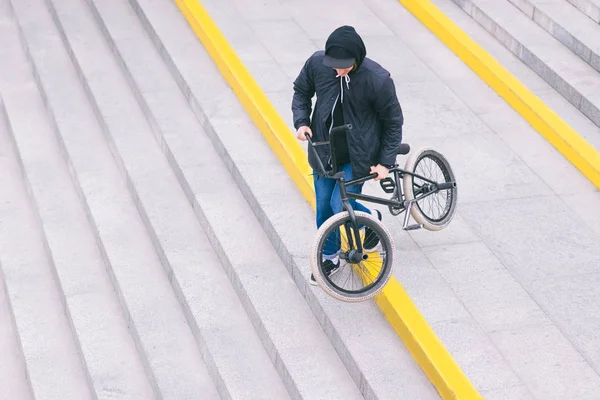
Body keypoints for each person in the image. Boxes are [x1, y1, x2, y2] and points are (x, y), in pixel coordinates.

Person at [291, 25, 404, 285]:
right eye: (334, 65)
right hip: (324, 150)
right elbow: (301, 90)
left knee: (338, 204)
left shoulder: (378, 79)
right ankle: (330, 257)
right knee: (323, 208)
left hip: (359, 154)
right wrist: (301, 121)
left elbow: (393, 122)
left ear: (357, 58)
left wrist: (385, 162)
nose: (338, 71)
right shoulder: (317, 64)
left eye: (344, 66)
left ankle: (370, 221)